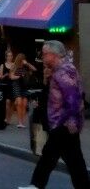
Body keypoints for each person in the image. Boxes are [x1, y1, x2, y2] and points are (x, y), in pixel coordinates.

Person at [21, 40, 90, 189]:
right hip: (62, 123)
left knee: (55, 157)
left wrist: (71, 120)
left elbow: (73, 98)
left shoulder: (64, 71)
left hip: (63, 123)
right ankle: (36, 185)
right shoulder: (59, 70)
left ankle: (36, 185)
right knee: (67, 159)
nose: (43, 57)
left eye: (45, 54)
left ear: (54, 55)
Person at [10, 52, 37, 129]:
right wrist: (19, 76)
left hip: (25, 86)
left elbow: (34, 69)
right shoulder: (14, 66)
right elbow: (11, 77)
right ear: (19, 60)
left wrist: (27, 64)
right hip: (17, 85)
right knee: (19, 103)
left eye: (23, 59)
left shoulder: (26, 67)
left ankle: (22, 121)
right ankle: (20, 122)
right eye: (21, 60)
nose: (22, 61)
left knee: (24, 104)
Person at [0, 50, 15, 125]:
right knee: (7, 102)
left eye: (11, 56)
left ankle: (9, 118)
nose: (9, 57)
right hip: (5, 85)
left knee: (12, 103)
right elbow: (0, 77)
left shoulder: (14, 65)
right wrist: (5, 75)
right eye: (8, 56)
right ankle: (5, 118)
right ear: (6, 57)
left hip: (12, 85)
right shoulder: (2, 65)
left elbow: (16, 75)